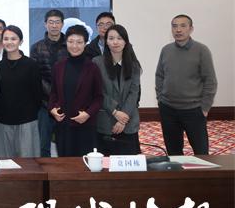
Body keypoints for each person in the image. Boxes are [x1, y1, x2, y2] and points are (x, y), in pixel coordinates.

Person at [155, 14, 217, 155]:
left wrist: (205, 107)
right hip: (168, 109)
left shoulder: (202, 50)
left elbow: (210, 80)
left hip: (193, 110)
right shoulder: (166, 50)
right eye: (175, 26)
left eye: (183, 26)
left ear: (191, 29)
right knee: (173, 152)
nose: (178, 30)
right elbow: (159, 76)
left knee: (201, 152)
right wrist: (160, 99)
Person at [49, 25, 103, 157]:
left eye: (79, 42)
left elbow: (99, 97)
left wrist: (88, 114)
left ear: (85, 43)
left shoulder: (93, 67)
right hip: (63, 125)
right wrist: (52, 109)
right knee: (64, 163)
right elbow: (53, 93)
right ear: (66, 42)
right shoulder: (58, 66)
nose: (75, 46)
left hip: (85, 125)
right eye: (71, 41)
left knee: (84, 164)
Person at [93, 24, 142, 155]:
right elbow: (98, 92)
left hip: (128, 121)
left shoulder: (134, 65)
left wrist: (123, 117)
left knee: (128, 161)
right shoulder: (97, 63)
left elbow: (134, 93)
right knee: (105, 163)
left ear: (125, 42)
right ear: (106, 42)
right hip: (106, 120)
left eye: (119, 38)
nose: (115, 42)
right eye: (111, 38)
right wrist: (115, 112)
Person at [0, 25, 42, 158]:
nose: (9, 42)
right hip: (4, 121)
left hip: (27, 121)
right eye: (6, 39)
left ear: (21, 41)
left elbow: (38, 94)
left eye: (13, 39)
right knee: (6, 163)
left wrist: (29, 112)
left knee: (28, 162)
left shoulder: (31, 65)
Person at [30, 9, 68, 157]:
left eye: (57, 22)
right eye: (51, 22)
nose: (54, 25)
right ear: (45, 24)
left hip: (66, 103)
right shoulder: (36, 47)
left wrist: (60, 98)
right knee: (43, 146)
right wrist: (51, 99)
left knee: (65, 145)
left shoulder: (70, 46)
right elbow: (36, 77)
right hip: (44, 105)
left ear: (62, 24)